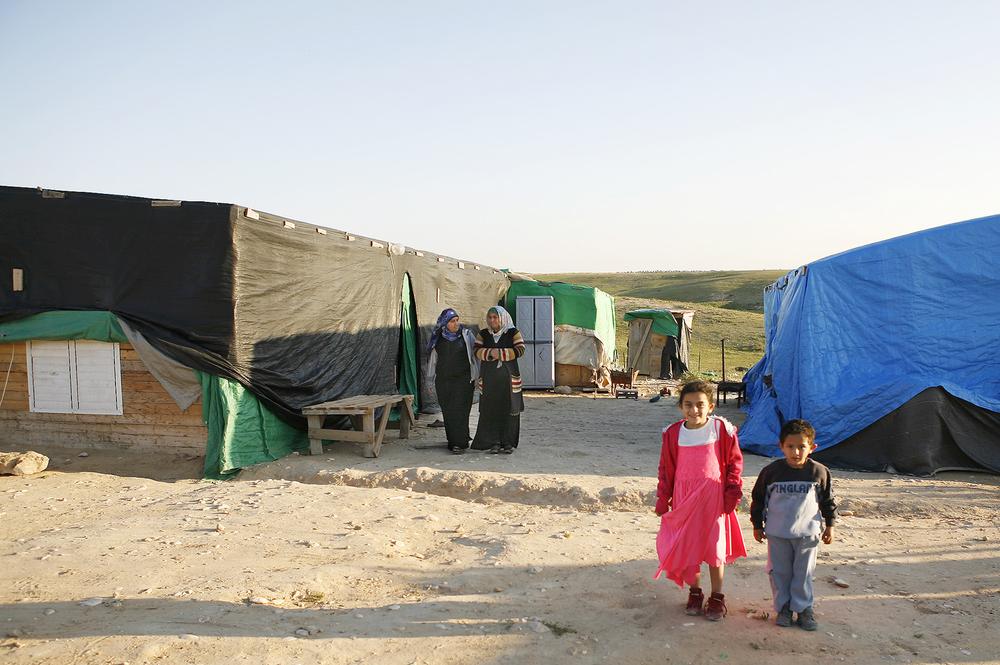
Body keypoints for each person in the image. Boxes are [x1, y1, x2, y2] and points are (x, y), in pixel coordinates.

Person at [654, 380, 747, 621]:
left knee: (714, 547)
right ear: (680, 407)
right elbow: (666, 468)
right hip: (684, 499)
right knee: (688, 547)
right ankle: (695, 592)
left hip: (713, 499)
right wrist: (663, 497)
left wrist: (732, 493)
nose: (694, 410)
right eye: (688, 405)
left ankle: (717, 596)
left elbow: (734, 463)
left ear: (711, 407)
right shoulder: (673, 433)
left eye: (700, 405)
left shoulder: (721, 429)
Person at [750, 419, 836, 631]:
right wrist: (757, 525)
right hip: (777, 533)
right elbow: (758, 499)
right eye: (790, 446)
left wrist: (830, 525)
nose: (796, 452)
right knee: (780, 572)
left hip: (808, 535)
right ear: (781, 446)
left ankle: (804, 608)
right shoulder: (771, 472)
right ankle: (784, 608)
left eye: (801, 446)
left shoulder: (819, 472)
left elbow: (827, 500)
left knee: (803, 573)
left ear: (812, 447)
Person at [471, 305, 525, 454]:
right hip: (489, 379)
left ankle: (508, 443)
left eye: (495, 317)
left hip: (509, 379)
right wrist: (490, 353)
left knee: (509, 409)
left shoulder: (513, 332)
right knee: (491, 410)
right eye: (490, 317)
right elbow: (476, 351)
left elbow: (520, 349)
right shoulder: (483, 334)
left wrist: (499, 353)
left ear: (503, 318)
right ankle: (494, 442)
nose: (492, 320)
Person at [426, 308, 479, 454]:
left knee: (461, 411)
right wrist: (429, 381)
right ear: (445, 323)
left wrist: (477, 376)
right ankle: (454, 440)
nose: (456, 324)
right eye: (452, 321)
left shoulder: (466, 336)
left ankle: (459, 443)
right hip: (444, 382)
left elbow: (475, 357)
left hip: (464, 381)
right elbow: (433, 362)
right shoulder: (438, 339)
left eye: (457, 320)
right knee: (449, 412)